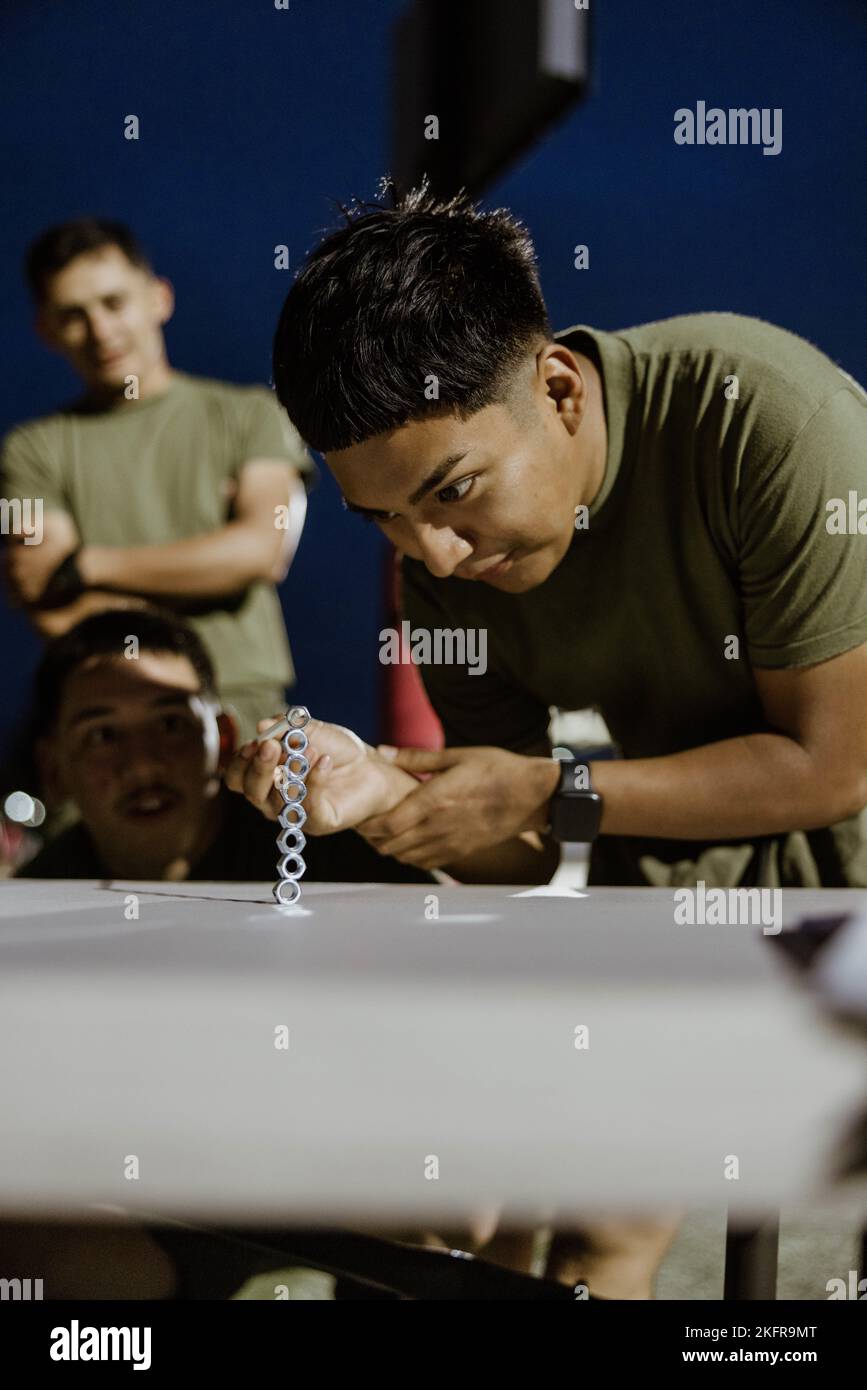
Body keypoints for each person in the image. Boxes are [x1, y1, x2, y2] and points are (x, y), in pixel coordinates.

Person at [226, 181, 867, 1296]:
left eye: (454, 489)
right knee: (582, 1247)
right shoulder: (445, 571)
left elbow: (833, 766)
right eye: (380, 517)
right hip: (689, 901)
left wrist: (548, 789)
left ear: (559, 389)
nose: (431, 553)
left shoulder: (762, 416)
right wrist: (387, 794)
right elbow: (524, 850)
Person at [1, 218, 312, 738]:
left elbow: (261, 549)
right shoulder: (27, 451)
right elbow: (47, 604)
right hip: (108, 717)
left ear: (158, 298)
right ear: (46, 330)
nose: (101, 331)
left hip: (246, 707)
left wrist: (86, 566)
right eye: (73, 315)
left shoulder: (252, 415)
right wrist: (210, 568)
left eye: (114, 303)